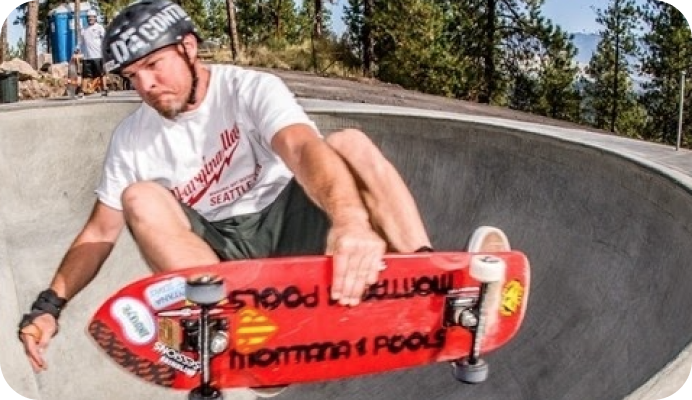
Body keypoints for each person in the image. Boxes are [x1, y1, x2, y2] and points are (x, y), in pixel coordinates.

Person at [17, 0, 509, 395]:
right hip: (224, 256)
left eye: (153, 65)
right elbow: (100, 232)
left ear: (189, 48)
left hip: (291, 219)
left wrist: (350, 222)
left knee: (349, 143)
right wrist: (48, 306)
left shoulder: (248, 89)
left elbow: (302, 149)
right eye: (132, 76)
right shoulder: (132, 138)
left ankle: (433, 281)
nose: (145, 85)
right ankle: (230, 329)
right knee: (139, 197)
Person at [79, 9, 108, 96]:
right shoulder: (84, 29)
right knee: (85, 75)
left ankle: (104, 89)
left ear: (95, 18)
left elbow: (105, 39)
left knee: (101, 73)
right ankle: (82, 91)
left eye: (92, 17)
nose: (90, 19)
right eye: (88, 17)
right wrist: (77, 49)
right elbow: (81, 42)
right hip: (87, 56)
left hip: (98, 55)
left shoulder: (99, 28)